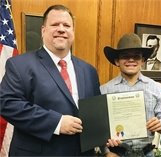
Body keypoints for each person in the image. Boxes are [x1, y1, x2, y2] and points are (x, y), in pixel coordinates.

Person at [0, 4, 101, 156]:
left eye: (66, 25)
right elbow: (7, 104)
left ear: (72, 31)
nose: (61, 29)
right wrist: (57, 123)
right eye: (55, 24)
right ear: (43, 31)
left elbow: (96, 113)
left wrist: (108, 135)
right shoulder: (19, 64)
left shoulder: (89, 71)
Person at [100, 33, 161, 157]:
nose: (131, 60)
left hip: (147, 153)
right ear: (117, 61)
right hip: (116, 154)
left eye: (136, 56)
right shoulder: (104, 90)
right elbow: (98, 127)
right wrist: (106, 152)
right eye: (125, 56)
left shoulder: (157, 89)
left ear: (142, 60)